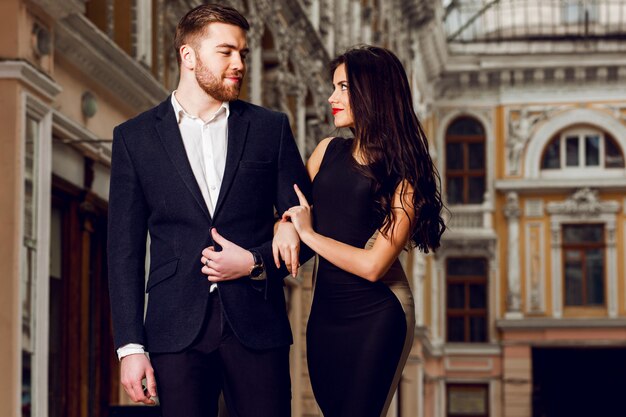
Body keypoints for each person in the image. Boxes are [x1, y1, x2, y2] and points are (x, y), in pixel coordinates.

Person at [107, 4, 311, 417]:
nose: (239, 64)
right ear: (188, 56)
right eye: (226, 52)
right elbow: (124, 251)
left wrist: (253, 261)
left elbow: (307, 232)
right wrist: (130, 347)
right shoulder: (135, 138)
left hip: (257, 325)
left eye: (243, 54)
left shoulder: (270, 129)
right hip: (173, 331)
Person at [274, 45, 445, 417]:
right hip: (324, 314)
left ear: (373, 92)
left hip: (379, 314)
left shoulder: (406, 174)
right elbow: (289, 211)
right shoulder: (326, 151)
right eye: (333, 87)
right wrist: (283, 227)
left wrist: (307, 234)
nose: (332, 97)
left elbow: (373, 265)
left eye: (343, 88)